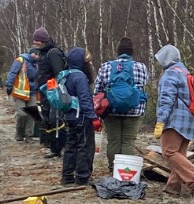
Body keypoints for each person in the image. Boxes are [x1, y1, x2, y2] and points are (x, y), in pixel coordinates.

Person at [153, 44, 194, 196]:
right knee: (179, 155)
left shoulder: (170, 73)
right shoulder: (185, 72)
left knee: (169, 152)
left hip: (175, 120)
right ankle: (173, 187)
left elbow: (166, 99)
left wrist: (161, 120)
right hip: (190, 121)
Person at [93, 36, 149, 173]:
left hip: (111, 109)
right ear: (131, 52)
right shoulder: (141, 67)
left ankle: (113, 169)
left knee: (113, 140)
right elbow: (144, 85)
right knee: (128, 141)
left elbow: (97, 90)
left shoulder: (106, 67)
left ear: (118, 52)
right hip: (134, 110)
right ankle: (124, 171)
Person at [59, 47, 96, 186]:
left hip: (69, 116)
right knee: (85, 146)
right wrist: (93, 117)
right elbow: (84, 98)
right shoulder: (80, 77)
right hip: (81, 116)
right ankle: (82, 177)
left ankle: (67, 177)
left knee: (70, 146)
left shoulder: (66, 75)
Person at [31, 28, 67, 159]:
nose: (35, 42)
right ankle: (53, 148)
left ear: (44, 40)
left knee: (55, 119)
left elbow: (59, 74)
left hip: (53, 93)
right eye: (34, 40)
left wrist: (54, 90)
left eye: (38, 40)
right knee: (47, 118)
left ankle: (60, 147)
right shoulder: (43, 53)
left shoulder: (53, 53)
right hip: (44, 92)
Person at [4, 48, 39, 142]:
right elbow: (12, 72)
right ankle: (19, 133)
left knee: (32, 114)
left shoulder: (37, 64)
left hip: (32, 92)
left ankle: (29, 135)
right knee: (21, 114)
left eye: (38, 54)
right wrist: (9, 85)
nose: (37, 56)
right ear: (31, 53)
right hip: (20, 92)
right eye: (35, 54)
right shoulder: (20, 60)